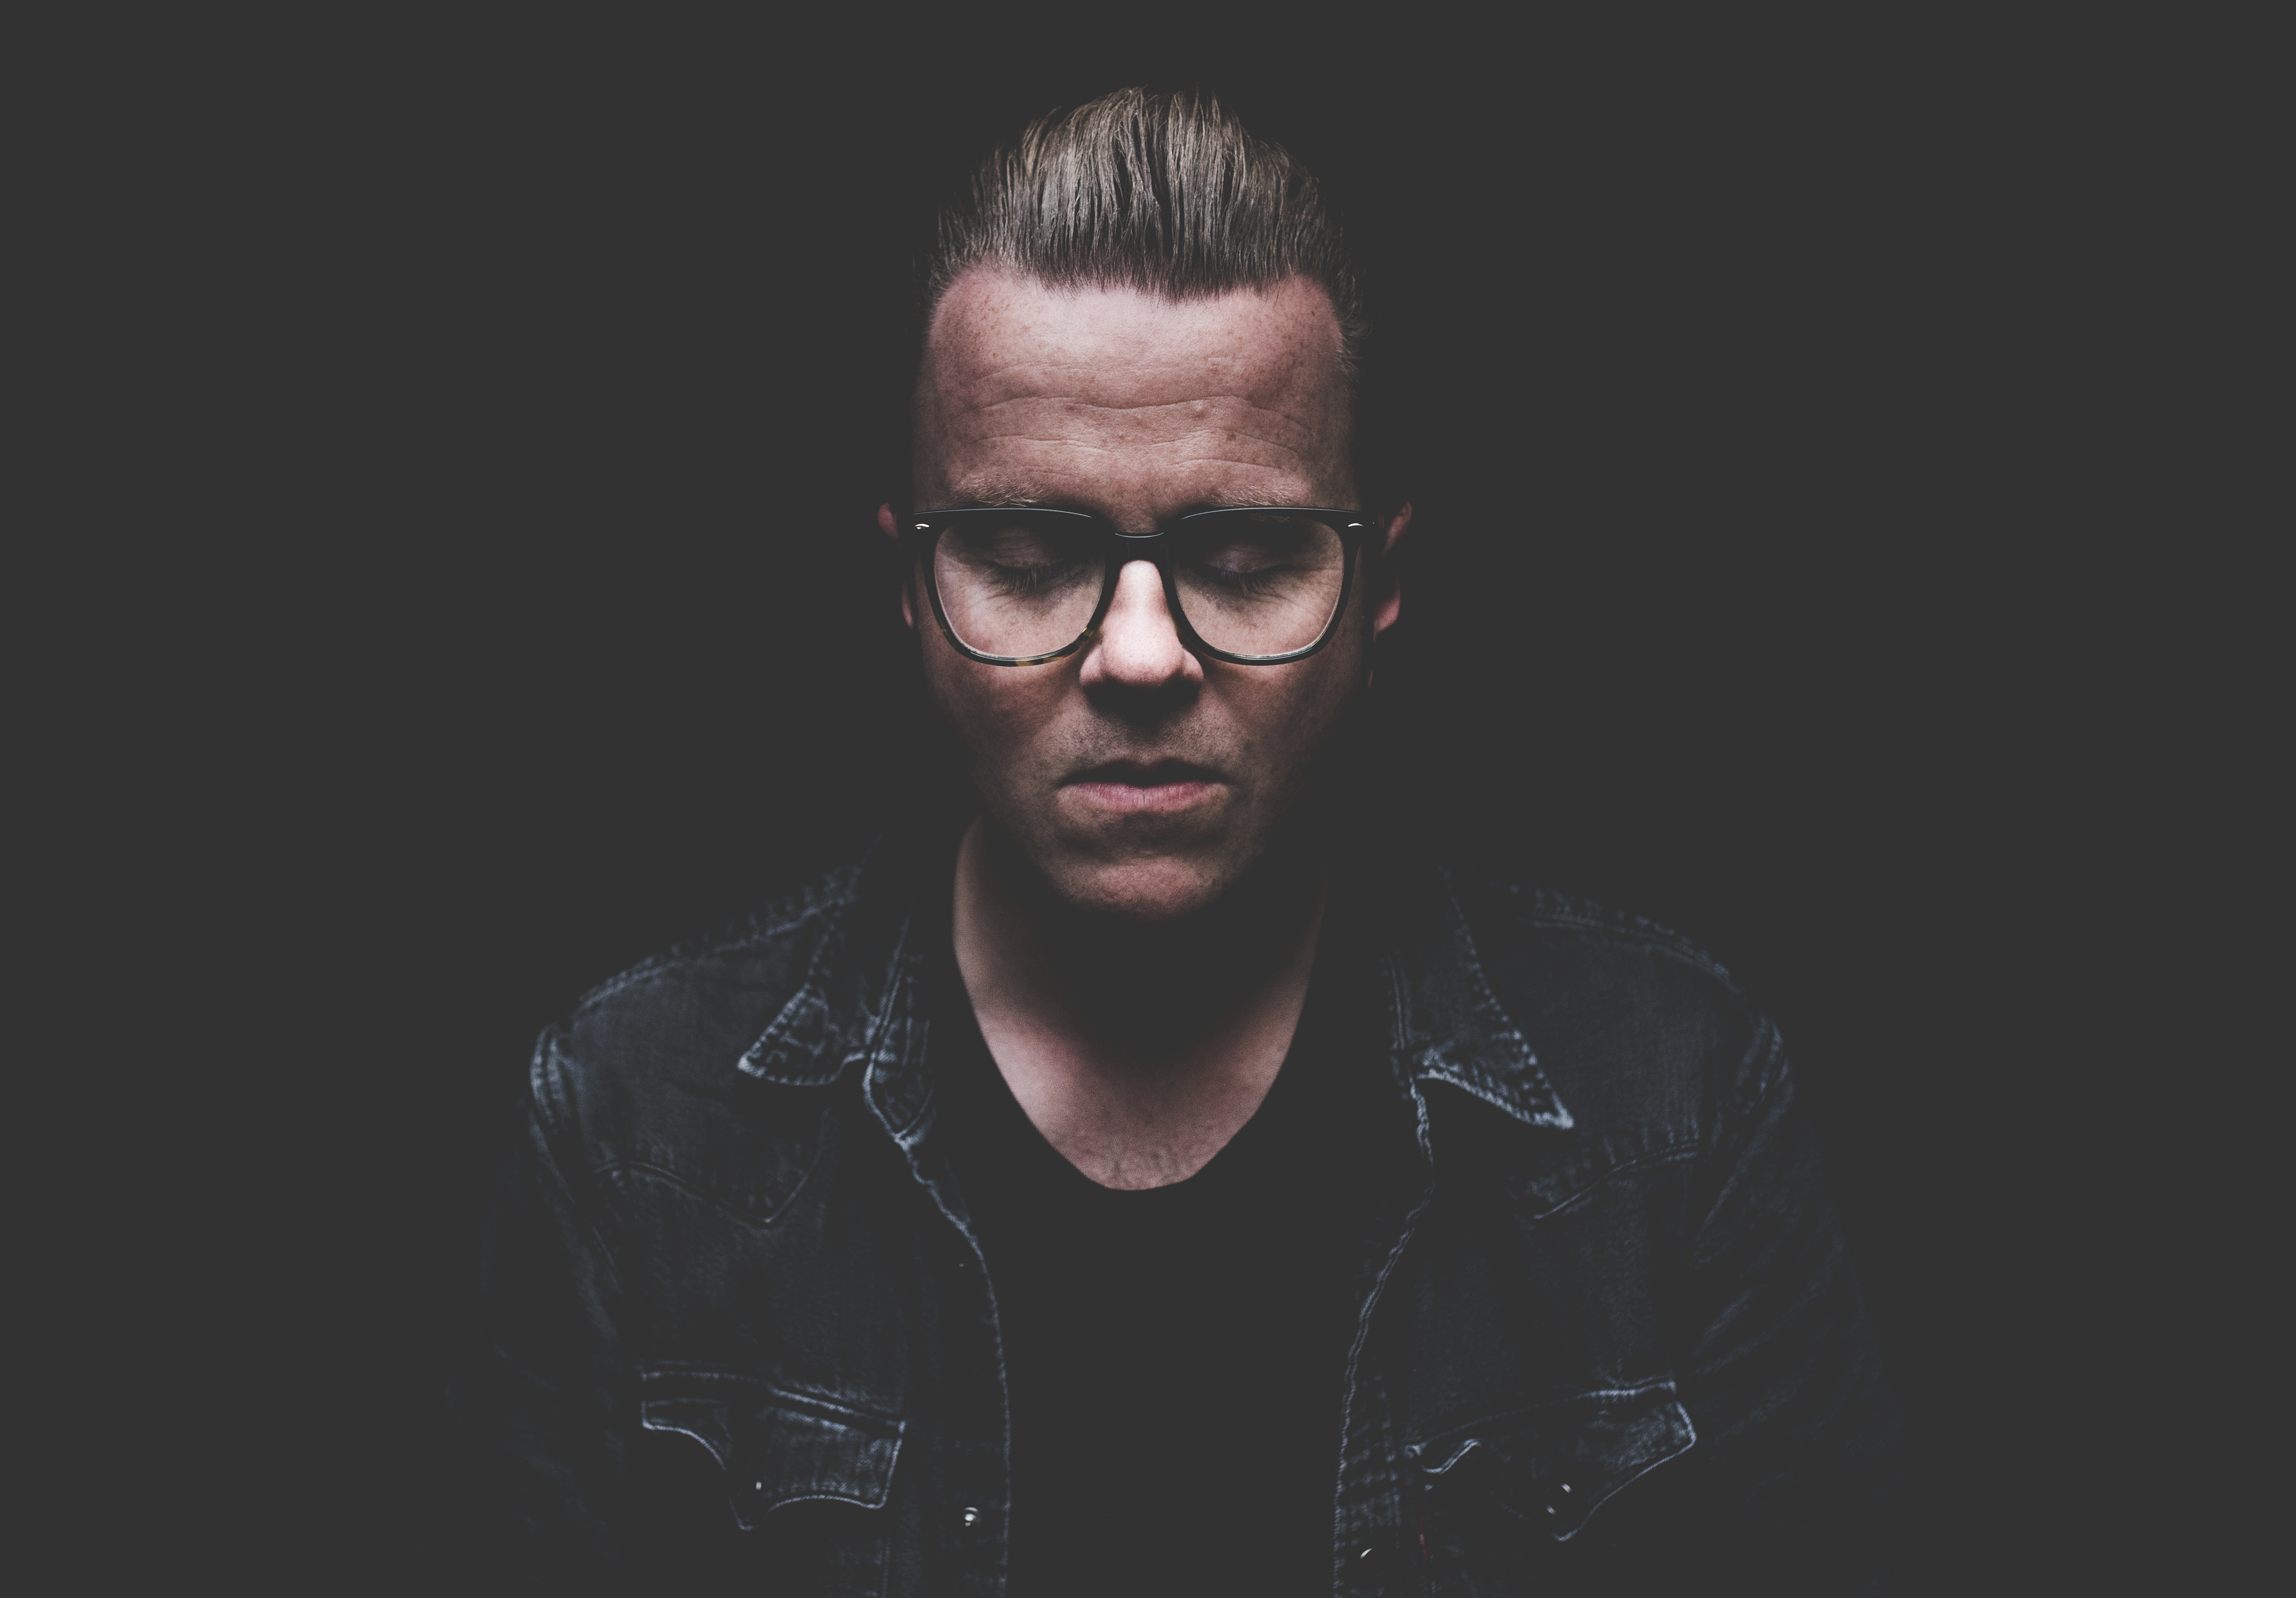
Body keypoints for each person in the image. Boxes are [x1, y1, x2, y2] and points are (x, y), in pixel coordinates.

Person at [456, 88, 1902, 1596]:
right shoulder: (633, 1127)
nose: (1141, 656)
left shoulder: (1677, 1106)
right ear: (910, 589)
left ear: (1379, 588)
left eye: (1246, 557)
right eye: (1031, 558)